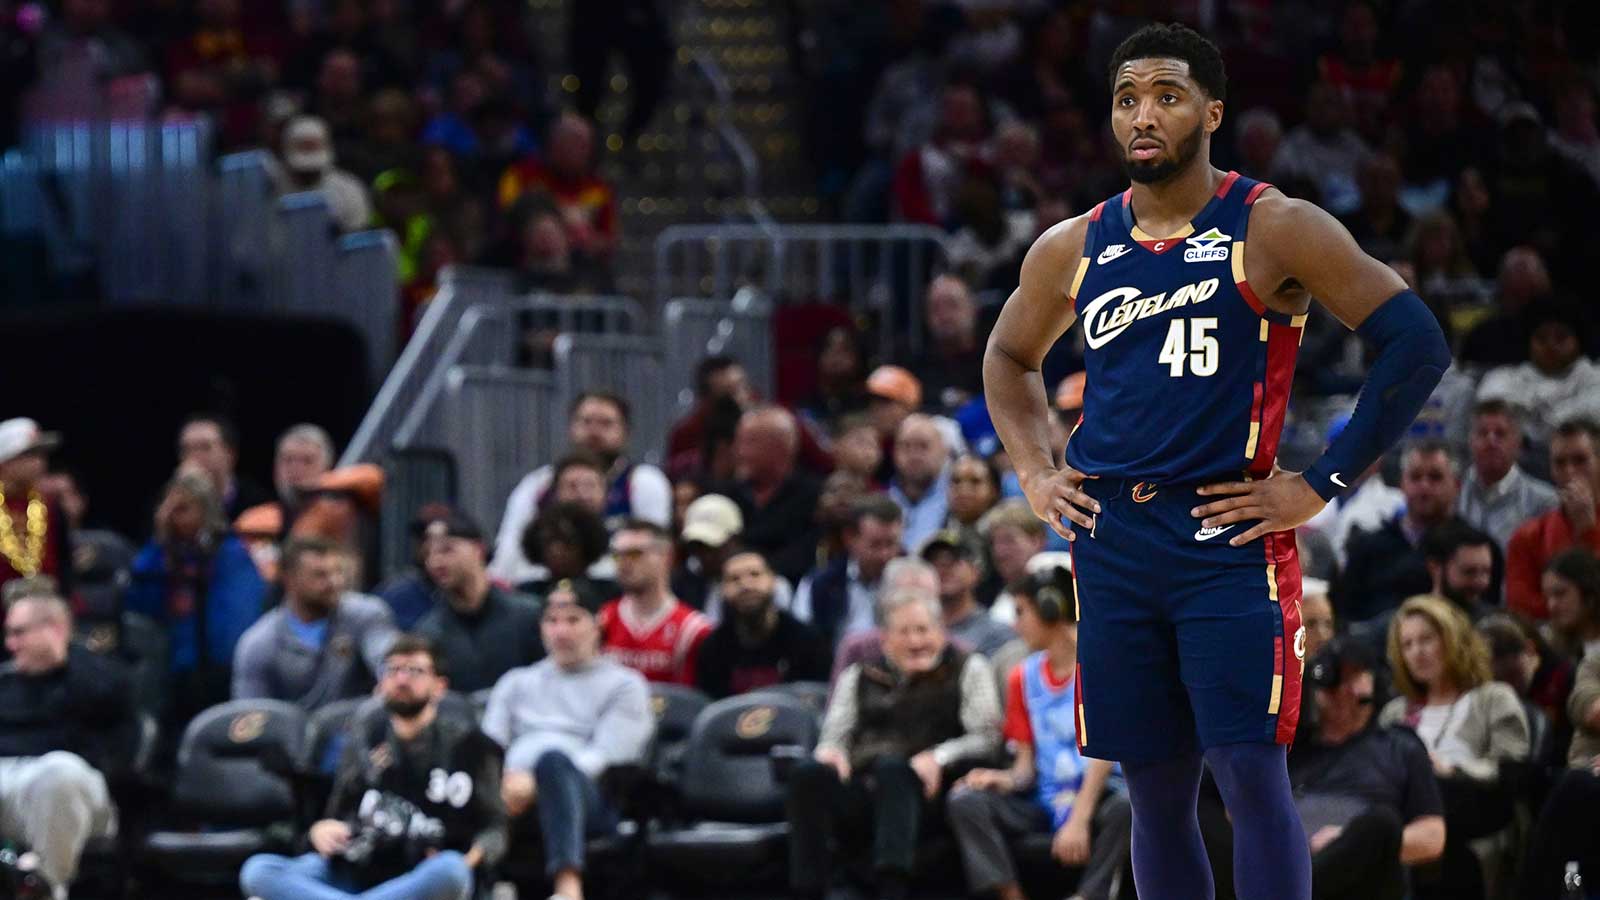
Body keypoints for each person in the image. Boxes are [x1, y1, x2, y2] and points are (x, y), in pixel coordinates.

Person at [981, 23, 1450, 900]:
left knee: (1248, 778)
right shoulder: (1074, 244)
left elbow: (1416, 342)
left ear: (1212, 112)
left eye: (1166, 96)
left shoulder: (1273, 225)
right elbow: (1007, 357)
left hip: (1224, 535)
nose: (1143, 115)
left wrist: (1320, 483)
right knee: (1154, 795)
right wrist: (1036, 472)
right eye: (1127, 99)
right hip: (1113, 540)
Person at [239, 636, 505, 900]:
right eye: (393, 670)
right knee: (258, 870)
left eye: (415, 671)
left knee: (451, 871)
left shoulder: (471, 745)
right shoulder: (363, 738)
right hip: (359, 867)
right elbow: (338, 814)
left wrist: (470, 862)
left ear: (439, 687)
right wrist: (320, 831)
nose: (402, 679)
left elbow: (495, 828)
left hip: (423, 874)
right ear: (380, 683)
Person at [786, 587, 1001, 900]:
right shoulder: (859, 674)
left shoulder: (968, 667)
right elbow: (834, 736)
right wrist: (831, 753)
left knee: (892, 770)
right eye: (904, 632)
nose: (915, 641)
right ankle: (808, 890)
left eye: (923, 630)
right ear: (885, 639)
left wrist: (939, 757)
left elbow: (987, 738)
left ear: (941, 633)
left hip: (932, 791)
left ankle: (892, 889)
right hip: (865, 785)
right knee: (807, 775)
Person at [947, 567, 1133, 900]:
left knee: (1129, 805)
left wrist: (1079, 818)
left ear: (1050, 609)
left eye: (1021, 612)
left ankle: (1089, 895)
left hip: (1100, 792)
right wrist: (1001, 779)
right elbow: (1025, 768)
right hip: (1045, 797)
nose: (1015, 625)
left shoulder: (1101, 664)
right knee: (966, 801)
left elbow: (1107, 752)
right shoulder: (1022, 676)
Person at [481, 579, 653, 900]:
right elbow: (489, 748)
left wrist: (534, 783)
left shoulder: (625, 685)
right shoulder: (515, 682)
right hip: (512, 790)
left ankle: (568, 888)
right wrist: (502, 781)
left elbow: (608, 756)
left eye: (573, 620)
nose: (561, 631)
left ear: (598, 624)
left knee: (553, 762)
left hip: (589, 796)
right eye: (552, 621)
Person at [1379, 596, 1530, 899]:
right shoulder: (1394, 713)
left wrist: (1451, 769)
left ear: (1452, 639)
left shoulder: (1493, 698)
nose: (1417, 652)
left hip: (1472, 805)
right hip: (1404, 809)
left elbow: (1512, 769)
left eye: (1426, 639)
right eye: (1407, 645)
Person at [0, 579, 129, 900]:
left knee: (58, 772)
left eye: (19, 633)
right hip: (9, 780)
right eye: (8, 634)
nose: (11, 644)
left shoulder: (97, 674)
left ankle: (45, 888)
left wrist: (66, 659)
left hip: (75, 789)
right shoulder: (6, 680)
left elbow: (118, 719)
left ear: (55, 630)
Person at [123, 471, 267, 726]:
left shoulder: (231, 553)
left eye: (182, 509)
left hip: (217, 673)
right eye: (167, 510)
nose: (172, 518)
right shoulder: (161, 555)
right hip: (170, 672)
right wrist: (159, 539)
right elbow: (138, 601)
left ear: (205, 510)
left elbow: (235, 621)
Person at [491, 393, 671, 585]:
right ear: (571, 427)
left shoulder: (643, 481)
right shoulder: (538, 483)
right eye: (586, 422)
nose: (594, 432)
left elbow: (654, 550)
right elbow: (508, 551)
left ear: (626, 432)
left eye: (606, 423)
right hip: (542, 585)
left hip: (617, 586)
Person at [232, 537, 399, 711]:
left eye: (338, 572)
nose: (335, 582)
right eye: (320, 575)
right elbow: (251, 714)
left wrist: (390, 677)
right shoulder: (259, 643)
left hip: (359, 724)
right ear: (290, 579)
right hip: (291, 727)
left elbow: (387, 657)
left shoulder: (366, 614)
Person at [1337, 441, 1465, 625]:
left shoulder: (1472, 548)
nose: (1424, 486)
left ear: (1457, 485)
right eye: (1415, 477)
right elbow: (1346, 618)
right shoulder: (1366, 549)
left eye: (1435, 477)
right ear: (1402, 483)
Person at [414, 513, 544, 694]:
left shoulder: (529, 616)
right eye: (428, 554)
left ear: (478, 549)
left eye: (447, 550)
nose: (436, 562)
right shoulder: (428, 633)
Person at [696, 550, 831, 699]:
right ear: (722, 590)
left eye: (755, 574)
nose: (746, 585)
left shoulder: (808, 641)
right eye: (734, 579)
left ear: (773, 580)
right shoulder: (713, 648)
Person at [714, 407, 823, 584]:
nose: (738, 452)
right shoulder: (727, 495)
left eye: (748, 443)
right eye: (738, 442)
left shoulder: (813, 496)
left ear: (780, 447)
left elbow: (805, 556)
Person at [597, 520, 712, 686]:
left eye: (634, 554)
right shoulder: (602, 619)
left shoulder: (692, 629)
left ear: (666, 557)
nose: (623, 562)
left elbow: (692, 697)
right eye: (617, 555)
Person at [1506, 418, 1600, 619]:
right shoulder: (1527, 537)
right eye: (1560, 463)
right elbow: (1519, 605)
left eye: (1580, 460)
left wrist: (1589, 533)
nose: (1570, 471)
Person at [792, 496, 905, 650]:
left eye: (891, 544)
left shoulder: (914, 579)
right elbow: (802, 642)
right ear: (850, 538)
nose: (884, 555)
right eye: (876, 545)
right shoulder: (819, 583)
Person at [1456, 399, 1559, 549]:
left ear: (1518, 443)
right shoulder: (1452, 495)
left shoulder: (1545, 502)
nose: (1491, 441)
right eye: (1483, 433)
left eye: (1500, 433)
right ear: (1470, 441)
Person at [0, 418, 73, 597]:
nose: (40, 462)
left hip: (49, 606)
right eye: (30, 455)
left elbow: (64, 565)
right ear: (5, 462)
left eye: (41, 455)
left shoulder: (50, 506)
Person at [921, 530, 1017, 658]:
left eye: (953, 559)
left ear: (976, 571)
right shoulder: (914, 633)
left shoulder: (997, 633)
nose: (943, 567)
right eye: (934, 561)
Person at [272, 115, 372, 232]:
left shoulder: (349, 191)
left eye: (313, 171)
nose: (307, 173)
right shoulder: (270, 188)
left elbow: (357, 233)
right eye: (301, 172)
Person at [906, 274, 987, 414]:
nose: (944, 315)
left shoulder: (996, 355)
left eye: (952, 305)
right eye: (935, 308)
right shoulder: (917, 365)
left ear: (973, 308)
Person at [176, 413, 273, 520]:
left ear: (230, 453)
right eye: (187, 449)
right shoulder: (171, 505)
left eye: (205, 447)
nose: (195, 457)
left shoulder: (258, 504)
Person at [515, 501, 615, 599]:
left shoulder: (608, 592)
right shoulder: (527, 593)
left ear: (587, 544)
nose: (555, 550)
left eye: (567, 542)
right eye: (548, 542)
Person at [889, 414, 952, 553]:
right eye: (906, 446)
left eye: (923, 446)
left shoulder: (956, 497)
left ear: (944, 451)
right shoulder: (883, 496)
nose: (914, 455)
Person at [1419, 522, 1498, 622]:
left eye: (1486, 572)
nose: (1481, 581)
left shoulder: (1494, 622)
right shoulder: (1409, 622)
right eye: (1469, 572)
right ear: (1435, 568)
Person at [1541, 548, 1600, 661]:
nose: (1551, 606)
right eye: (1547, 597)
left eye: (1560, 593)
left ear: (1589, 593)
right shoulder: (1547, 646)